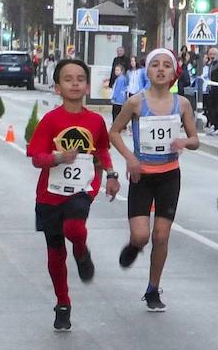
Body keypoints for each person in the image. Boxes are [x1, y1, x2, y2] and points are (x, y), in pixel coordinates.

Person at [28, 58, 120, 331]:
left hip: (82, 188)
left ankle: (81, 251)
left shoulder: (95, 121)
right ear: (57, 87)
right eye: (68, 79)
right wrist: (58, 157)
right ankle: (63, 302)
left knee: (75, 228)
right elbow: (36, 157)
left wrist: (111, 175)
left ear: (88, 86)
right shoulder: (50, 120)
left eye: (80, 79)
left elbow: (101, 150)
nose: (75, 84)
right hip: (50, 194)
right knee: (55, 252)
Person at [109, 48, 200, 312]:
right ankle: (135, 245)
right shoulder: (135, 103)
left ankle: (152, 288)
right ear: (146, 71)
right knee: (141, 235)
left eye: (166, 66)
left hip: (169, 175)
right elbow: (114, 132)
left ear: (173, 74)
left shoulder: (182, 104)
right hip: (142, 175)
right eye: (155, 65)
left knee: (161, 235)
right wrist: (130, 158)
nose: (161, 69)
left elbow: (195, 140)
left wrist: (184, 141)